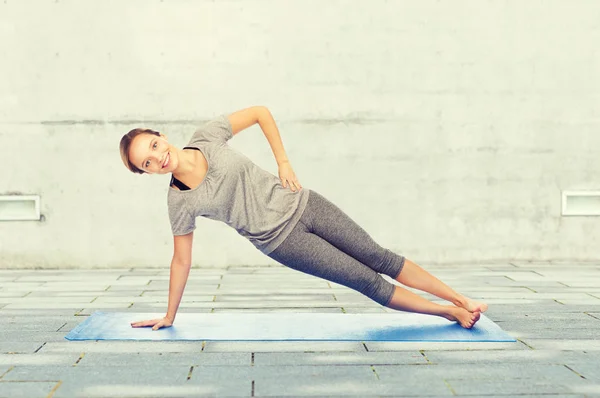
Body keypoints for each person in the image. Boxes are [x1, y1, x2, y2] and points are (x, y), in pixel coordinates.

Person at [119, 106, 487, 331]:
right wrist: (169, 315)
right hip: (283, 242)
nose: (157, 158)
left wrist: (283, 161)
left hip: (305, 203)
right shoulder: (179, 202)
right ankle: (448, 313)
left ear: (161, 136)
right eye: (146, 163)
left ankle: (462, 299)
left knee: (379, 257)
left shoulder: (207, 137)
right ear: (146, 173)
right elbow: (181, 259)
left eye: (153, 146)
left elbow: (260, 111)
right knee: (367, 281)